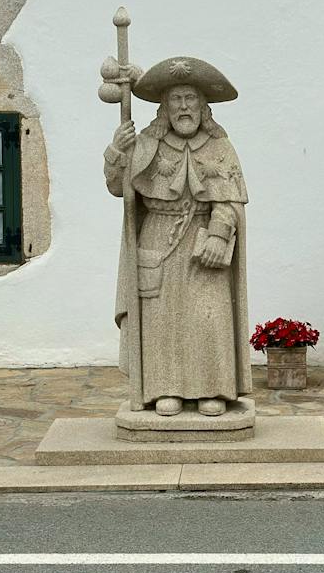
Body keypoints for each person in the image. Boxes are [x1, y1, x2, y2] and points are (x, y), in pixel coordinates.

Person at [103, 56, 251, 416]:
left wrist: (219, 233)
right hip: (157, 240)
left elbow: (230, 198)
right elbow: (117, 188)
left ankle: (212, 388)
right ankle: (162, 388)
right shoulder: (147, 143)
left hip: (204, 241)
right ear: (164, 107)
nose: (184, 107)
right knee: (161, 320)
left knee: (208, 317)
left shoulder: (219, 146)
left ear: (203, 105)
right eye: (176, 100)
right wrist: (116, 152)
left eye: (191, 99)